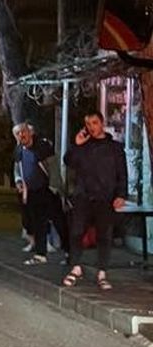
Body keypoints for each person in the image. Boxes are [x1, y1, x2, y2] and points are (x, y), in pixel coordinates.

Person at [63, 111, 128, 290]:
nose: (91, 127)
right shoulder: (83, 146)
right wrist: (76, 145)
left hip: (105, 197)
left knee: (104, 235)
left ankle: (102, 272)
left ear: (102, 123)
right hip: (83, 196)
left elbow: (122, 173)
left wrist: (121, 195)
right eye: (88, 124)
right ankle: (75, 267)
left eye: (94, 123)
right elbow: (68, 161)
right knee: (76, 232)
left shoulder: (114, 147)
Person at [12, 122, 68, 266]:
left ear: (30, 132)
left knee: (59, 222)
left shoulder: (42, 148)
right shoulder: (19, 150)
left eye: (23, 132)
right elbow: (18, 169)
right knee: (38, 223)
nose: (21, 135)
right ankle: (40, 254)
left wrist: (54, 187)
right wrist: (19, 182)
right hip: (31, 192)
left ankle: (70, 252)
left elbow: (53, 168)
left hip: (47, 190)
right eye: (18, 134)